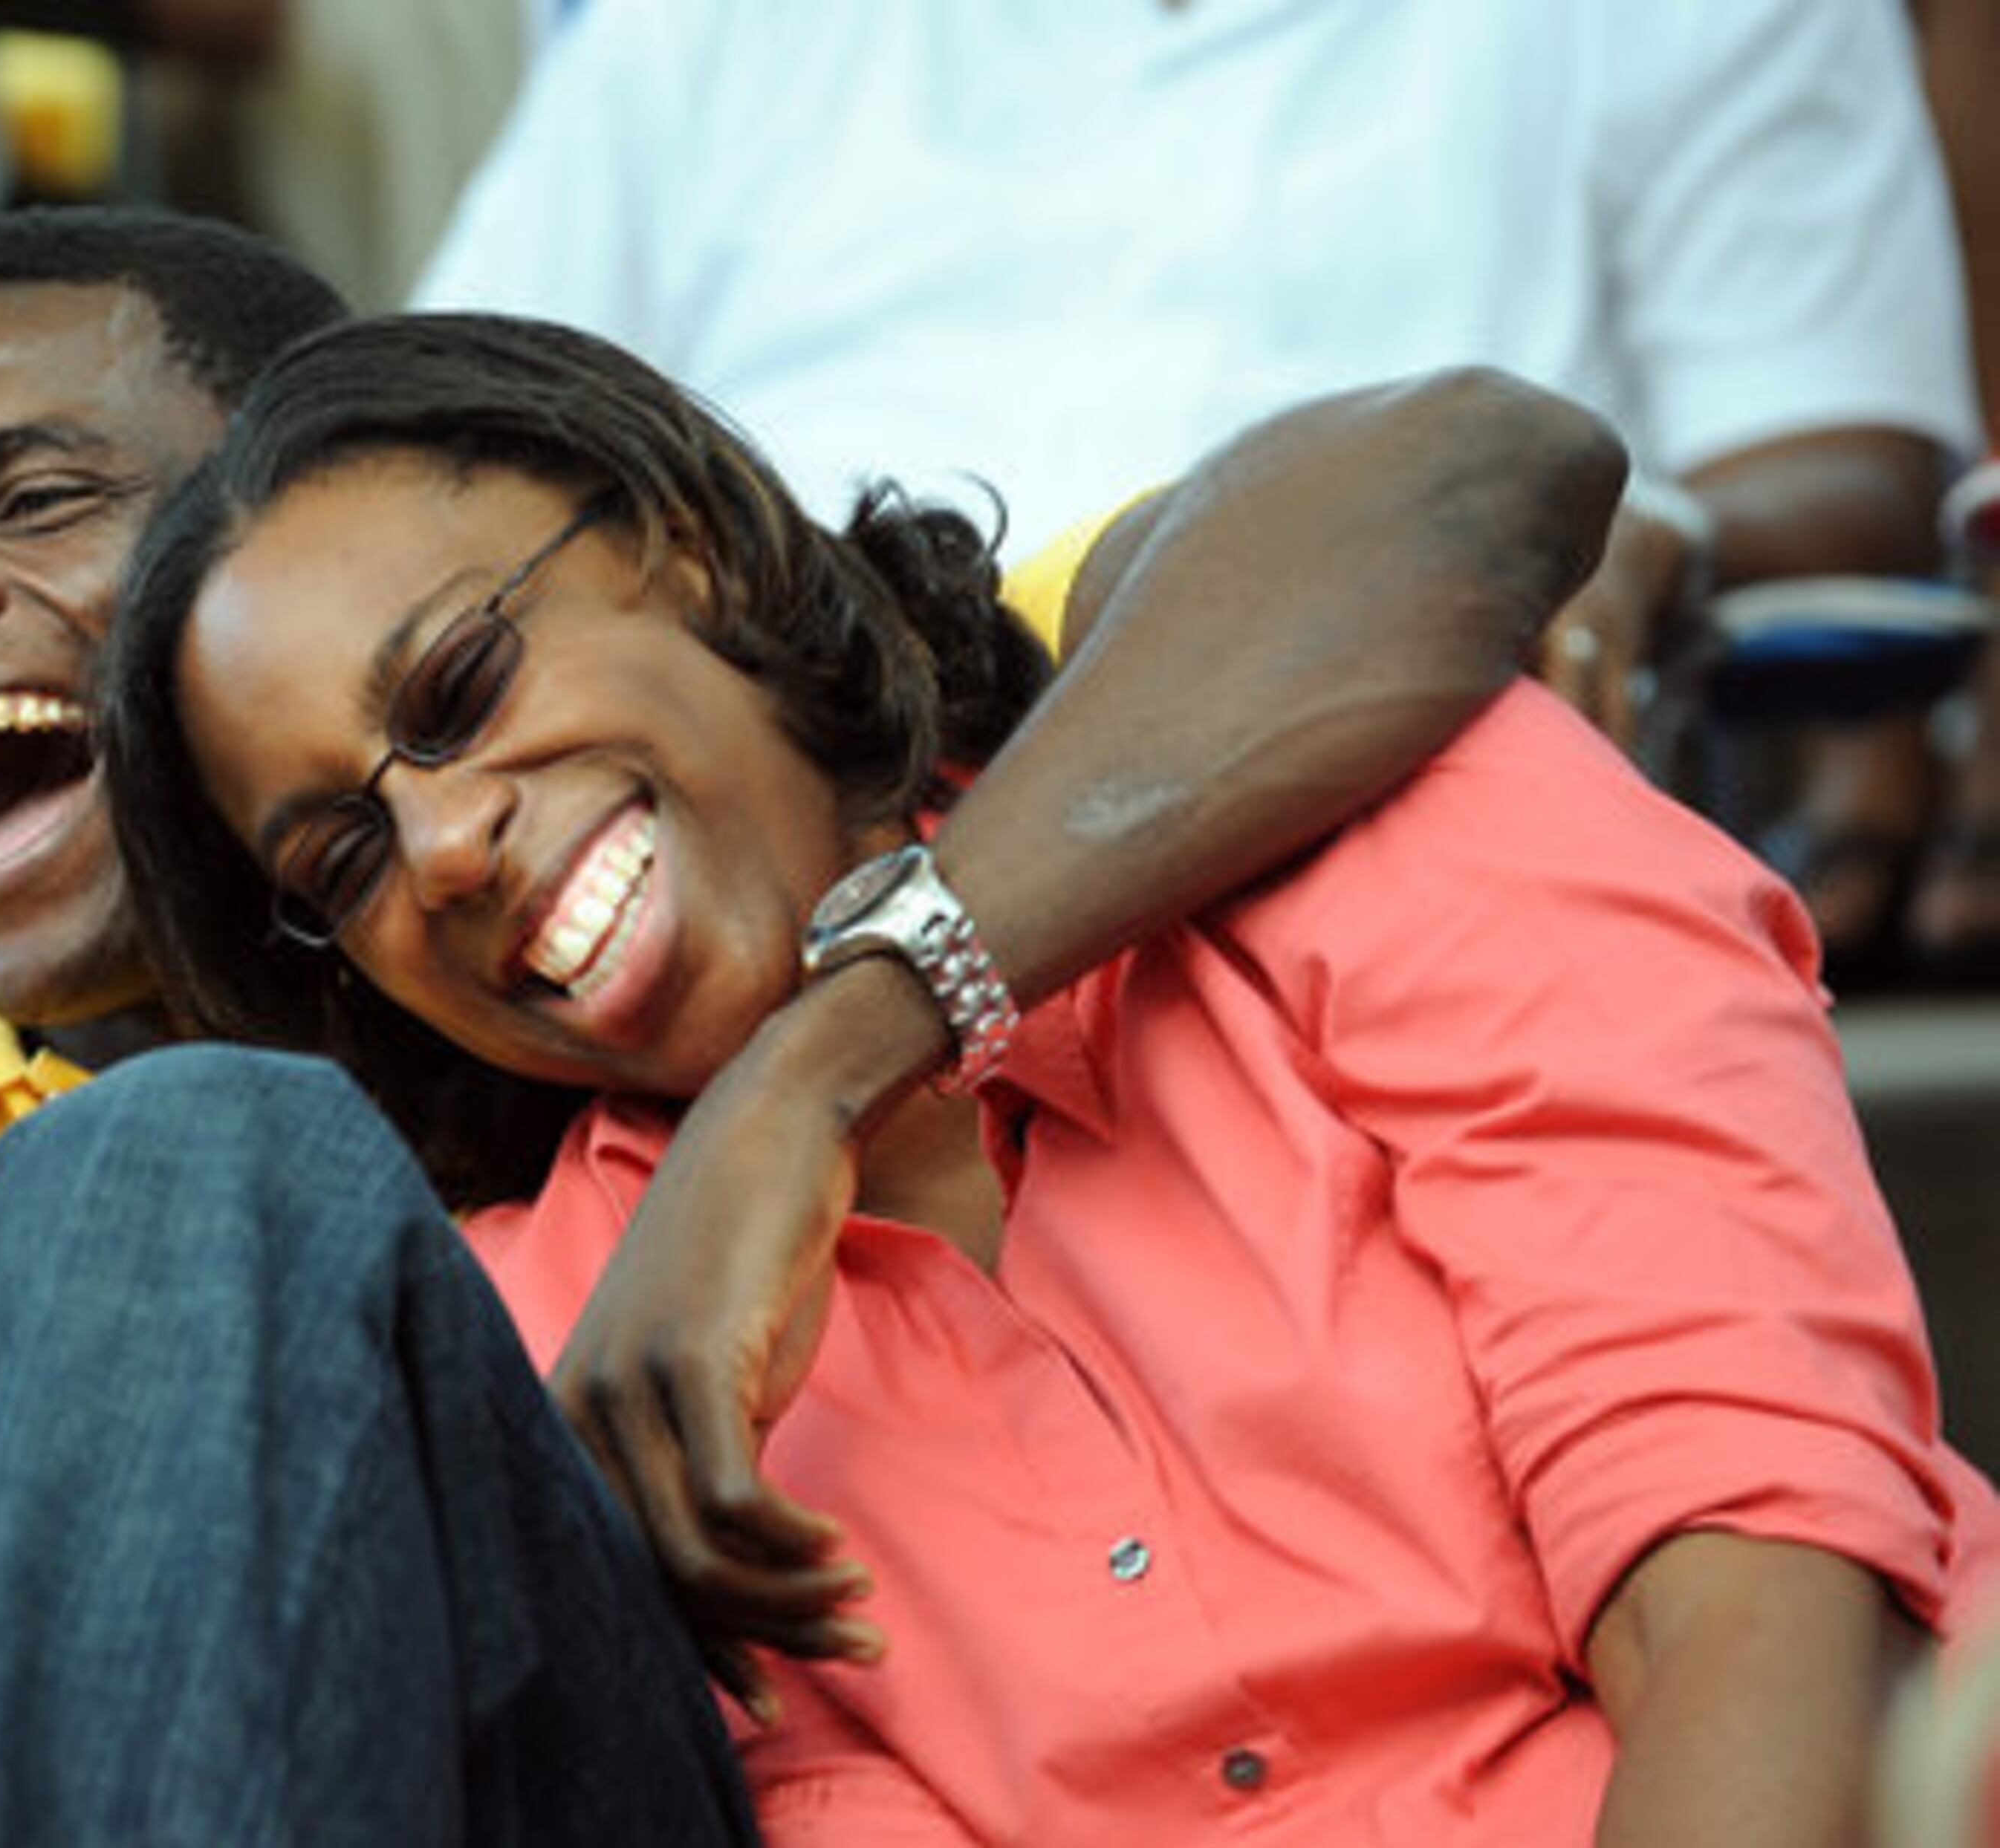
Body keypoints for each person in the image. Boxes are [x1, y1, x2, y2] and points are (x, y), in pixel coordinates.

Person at [0, 200, 1629, 1846]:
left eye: (36, 499)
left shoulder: (699, 760)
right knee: (185, 1163)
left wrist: (811, 1064)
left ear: (323, 498)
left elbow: (1459, 483)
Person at [96, 310, 2000, 1844]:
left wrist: (816, 1070)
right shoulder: (557, 1345)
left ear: (675, 543)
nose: (438, 850)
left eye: (455, 688)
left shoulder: (1355, 792)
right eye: (342, 861)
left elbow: (1767, 1585)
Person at [415, 0, 1975, 916]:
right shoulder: (696, 37)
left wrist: (1639, 527)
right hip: (774, 893)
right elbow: (431, 478)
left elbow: (1840, 458)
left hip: (1397, 859)